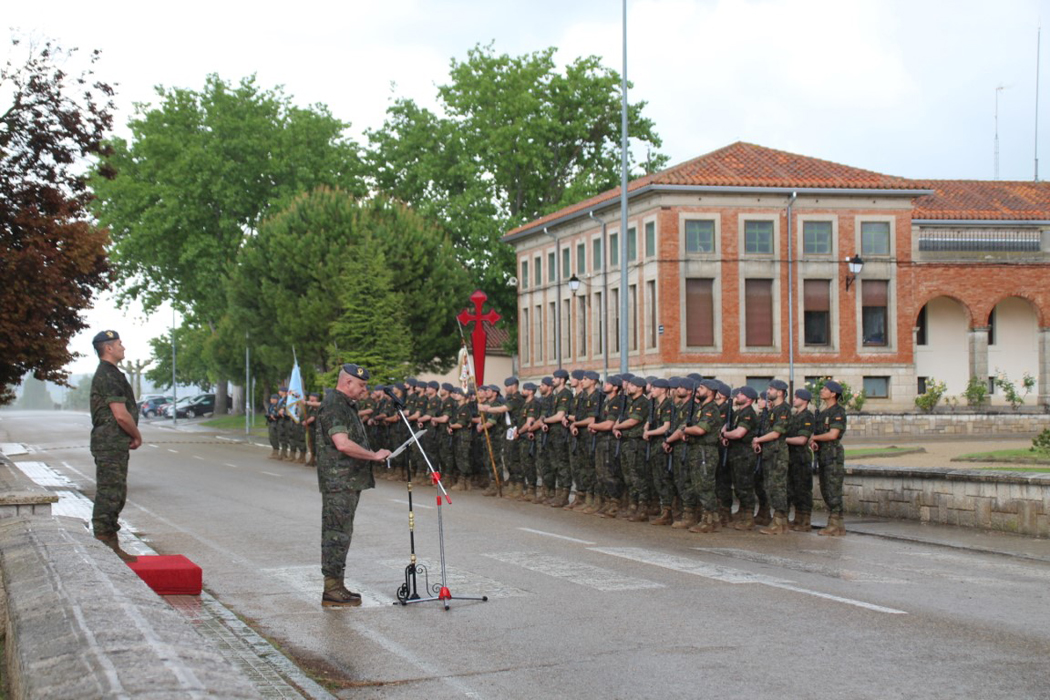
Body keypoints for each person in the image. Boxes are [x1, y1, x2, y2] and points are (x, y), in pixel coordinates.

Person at [316, 363, 392, 607]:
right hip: (339, 482)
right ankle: (332, 588)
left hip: (347, 481)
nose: (364, 390)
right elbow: (342, 444)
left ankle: (337, 585)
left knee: (342, 533)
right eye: (361, 385)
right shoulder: (335, 404)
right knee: (336, 534)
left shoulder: (346, 405)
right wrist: (374, 455)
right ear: (347, 382)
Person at [89, 330, 143, 562]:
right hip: (110, 442)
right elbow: (120, 415)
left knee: (116, 492)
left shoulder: (111, 373)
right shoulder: (108, 375)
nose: (123, 347)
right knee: (110, 494)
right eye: (119, 344)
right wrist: (136, 434)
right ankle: (104, 544)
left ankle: (110, 544)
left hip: (113, 442)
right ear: (108, 348)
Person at [810, 380, 848, 536]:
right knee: (826, 489)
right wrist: (815, 442)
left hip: (833, 455)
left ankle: (835, 524)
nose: (822, 391)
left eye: (826, 389)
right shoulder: (823, 412)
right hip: (823, 455)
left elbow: (833, 434)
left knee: (833, 489)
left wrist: (815, 438)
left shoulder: (837, 412)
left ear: (833, 394)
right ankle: (836, 524)